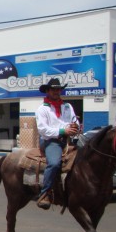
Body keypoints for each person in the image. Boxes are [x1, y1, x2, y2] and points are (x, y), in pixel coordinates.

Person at [35, 78, 79, 210]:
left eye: (58, 89)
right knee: (54, 163)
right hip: (50, 141)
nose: (56, 91)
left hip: (67, 140)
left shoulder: (67, 106)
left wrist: (75, 127)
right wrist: (62, 130)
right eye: (53, 89)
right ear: (47, 91)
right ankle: (45, 193)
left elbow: (74, 120)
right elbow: (43, 129)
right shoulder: (42, 109)